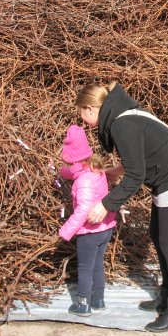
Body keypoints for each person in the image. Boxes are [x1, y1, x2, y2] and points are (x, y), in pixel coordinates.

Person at [76, 82, 168, 332]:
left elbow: (135, 176)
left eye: (81, 113)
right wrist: (115, 171)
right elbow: (141, 153)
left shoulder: (122, 124)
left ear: (90, 109)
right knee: (158, 235)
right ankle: (167, 295)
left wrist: (105, 205)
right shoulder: (121, 113)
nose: (81, 119)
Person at [58, 125, 116, 317]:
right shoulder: (96, 170)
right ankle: (98, 300)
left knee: (85, 268)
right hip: (106, 228)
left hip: (89, 231)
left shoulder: (82, 181)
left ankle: (83, 303)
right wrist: (61, 170)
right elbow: (73, 171)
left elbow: (83, 209)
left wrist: (66, 231)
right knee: (98, 264)